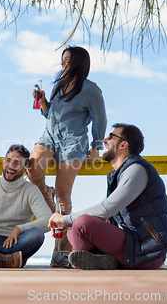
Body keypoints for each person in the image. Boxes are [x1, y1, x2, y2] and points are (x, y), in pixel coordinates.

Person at [48, 124, 167, 270]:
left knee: (82, 223)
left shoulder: (136, 170)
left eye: (110, 137)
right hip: (131, 244)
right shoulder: (117, 174)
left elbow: (106, 209)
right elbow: (105, 212)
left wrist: (63, 219)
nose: (104, 140)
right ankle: (96, 260)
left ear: (123, 144)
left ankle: (75, 261)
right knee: (74, 229)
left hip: (147, 250)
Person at [26, 45, 107, 259]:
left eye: (67, 59)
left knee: (64, 198)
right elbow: (49, 114)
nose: (62, 63)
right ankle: (48, 199)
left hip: (74, 144)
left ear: (78, 63)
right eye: (62, 59)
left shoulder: (91, 89)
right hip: (49, 139)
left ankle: (62, 248)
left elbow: (100, 118)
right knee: (31, 166)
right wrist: (43, 101)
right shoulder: (58, 87)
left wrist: (96, 147)